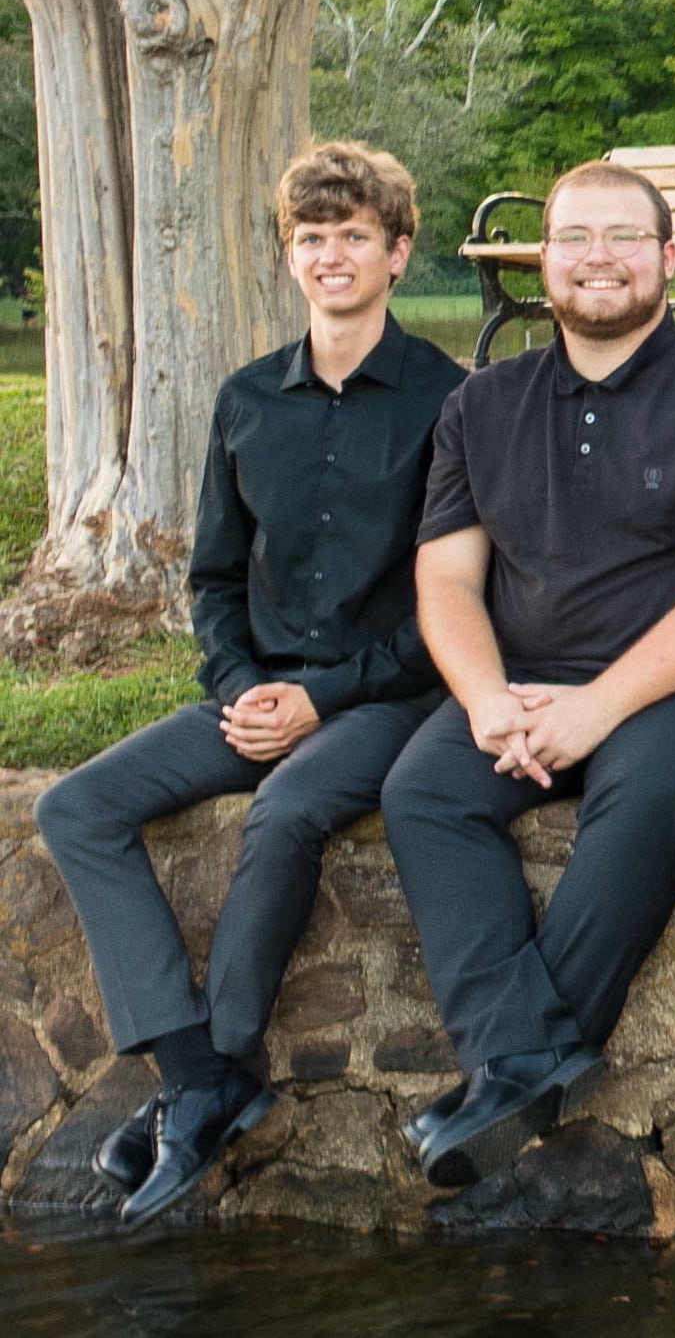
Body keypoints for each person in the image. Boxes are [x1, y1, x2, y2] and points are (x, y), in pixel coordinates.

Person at [39, 142, 464, 1221]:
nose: (332, 257)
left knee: (283, 812)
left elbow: (453, 602)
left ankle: (211, 1074)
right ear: (289, 258)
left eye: (354, 237)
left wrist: (322, 698)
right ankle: (200, 1075)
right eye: (311, 240)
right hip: (252, 690)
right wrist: (237, 684)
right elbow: (214, 576)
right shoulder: (245, 398)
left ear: (398, 252)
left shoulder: (452, 401)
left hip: (386, 698)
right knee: (74, 804)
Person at [381, 161, 675, 1189]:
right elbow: (445, 577)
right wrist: (483, 698)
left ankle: (514, 1068)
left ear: (667, 259)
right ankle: (523, 1055)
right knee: (424, 791)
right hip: (523, 674)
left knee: (642, 789)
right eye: (573, 238)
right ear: (543, 259)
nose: (595, 258)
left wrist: (600, 707)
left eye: (621, 238)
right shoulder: (482, 404)